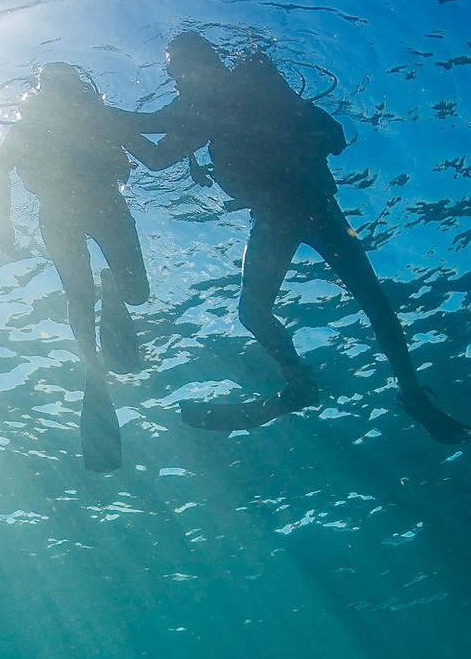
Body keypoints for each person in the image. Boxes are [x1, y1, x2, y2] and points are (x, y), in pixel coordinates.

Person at [129, 32, 466, 442]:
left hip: (296, 210)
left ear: (198, 63)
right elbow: (157, 150)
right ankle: (370, 389)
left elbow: (153, 138)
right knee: (355, 303)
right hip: (299, 211)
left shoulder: (234, 91)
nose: (174, 78)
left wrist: (95, 119)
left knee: (280, 309)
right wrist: (101, 120)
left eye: (176, 68)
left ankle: (315, 384)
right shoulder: (213, 103)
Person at [0, 62, 152, 475]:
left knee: (137, 294)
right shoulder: (30, 125)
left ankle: (114, 291)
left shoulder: (96, 115)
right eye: (52, 86)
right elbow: (1, 167)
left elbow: (146, 142)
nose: (58, 92)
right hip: (60, 212)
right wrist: (2, 220)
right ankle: (92, 364)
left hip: (105, 204)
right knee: (79, 296)